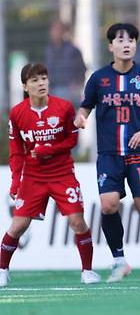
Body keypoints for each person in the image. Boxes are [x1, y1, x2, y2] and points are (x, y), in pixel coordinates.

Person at [75, 23, 140, 282]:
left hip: (139, 153)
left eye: (131, 40)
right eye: (120, 40)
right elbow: (85, 107)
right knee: (108, 204)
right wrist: (81, 118)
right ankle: (119, 262)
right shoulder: (98, 78)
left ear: (136, 45)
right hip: (109, 153)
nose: (126, 44)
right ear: (110, 46)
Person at [1, 63, 101, 287]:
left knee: (77, 221)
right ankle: (2, 269)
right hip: (33, 177)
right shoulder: (17, 113)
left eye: (44, 78)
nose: (41, 83)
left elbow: (72, 140)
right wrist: (16, 181)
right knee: (18, 226)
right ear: (25, 86)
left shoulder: (64, 107)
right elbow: (16, 151)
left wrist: (50, 149)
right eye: (35, 80)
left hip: (62, 174)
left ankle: (87, 271)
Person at [44, 21, 87, 106]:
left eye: (58, 30)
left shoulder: (73, 50)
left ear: (63, 31)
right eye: (54, 30)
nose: (56, 33)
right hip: (52, 90)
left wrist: (77, 84)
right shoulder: (48, 50)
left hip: (69, 91)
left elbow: (82, 68)